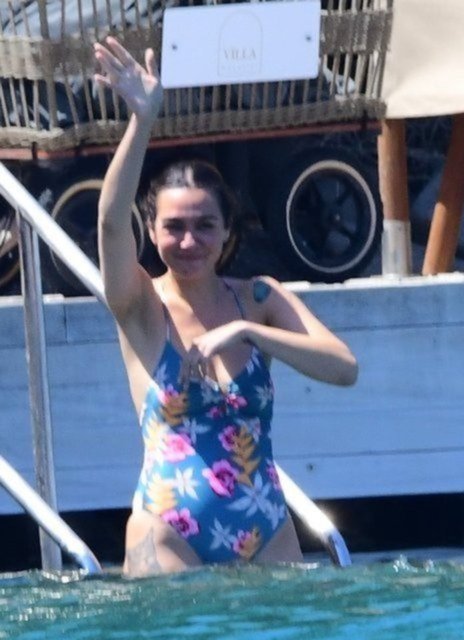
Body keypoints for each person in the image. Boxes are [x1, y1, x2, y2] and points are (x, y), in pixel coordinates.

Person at [94, 36, 358, 577]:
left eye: (204, 225)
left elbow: (343, 368)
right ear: (153, 231)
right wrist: (142, 121)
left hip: (267, 526)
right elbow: (109, 223)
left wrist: (249, 332)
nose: (189, 241)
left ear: (227, 230)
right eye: (174, 227)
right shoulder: (140, 304)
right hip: (169, 529)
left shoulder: (259, 299)